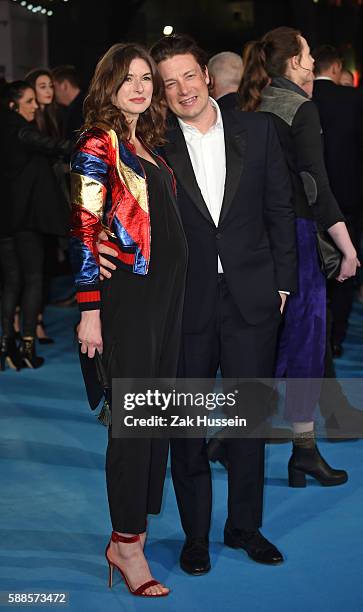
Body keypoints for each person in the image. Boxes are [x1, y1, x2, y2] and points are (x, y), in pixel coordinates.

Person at [98, 34, 297, 576]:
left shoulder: (258, 130)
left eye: (189, 76)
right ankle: (196, 537)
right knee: (186, 428)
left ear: (207, 76)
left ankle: (245, 528)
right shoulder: (154, 146)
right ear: (162, 93)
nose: (182, 89)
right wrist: (99, 245)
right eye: (169, 82)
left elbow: (281, 209)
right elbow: (108, 200)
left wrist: (283, 284)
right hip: (184, 305)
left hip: (253, 298)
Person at [69, 43, 187, 597]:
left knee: (153, 423)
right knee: (133, 428)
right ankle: (127, 545)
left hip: (164, 302)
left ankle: (132, 531)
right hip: (129, 306)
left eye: (146, 78)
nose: (140, 87)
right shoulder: (100, 142)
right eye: (128, 78)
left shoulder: (147, 146)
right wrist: (91, 311)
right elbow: (84, 229)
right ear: (108, 84)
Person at [239, 27, 360, 484]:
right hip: (297, 239)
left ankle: (234, 439)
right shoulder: (300, 109)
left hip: (255, 240)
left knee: (264, 341)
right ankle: (303, 451)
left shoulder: (251, 104)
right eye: (307, 53)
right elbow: (315, 187)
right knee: (306, 342)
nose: (311, 61)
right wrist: (347, 248)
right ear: (293, 62)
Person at [0, 81, 69, 369]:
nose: (35, 106)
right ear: (13, 105)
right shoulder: (19, 129)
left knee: (11, 281)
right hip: (26, 221)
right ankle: (27, 345)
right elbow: (48, 144)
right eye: (29, 101)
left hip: (3, 222)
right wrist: (90, 144)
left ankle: (5, 344)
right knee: (33, 280)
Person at [312, 45, 363, 357]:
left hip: (307, 201)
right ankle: (335, 339)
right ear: (336, 68)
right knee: (346, 267)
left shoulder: (301, 99)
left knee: (310, 271)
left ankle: (313, 338)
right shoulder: (353, 101)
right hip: (348, 199)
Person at [25, 68, 71, 344]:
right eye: (42, 86)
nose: (48, 91)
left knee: (45, 261)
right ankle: (32, 322)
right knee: (32, 264)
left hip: (53, 197)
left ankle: (32, 320)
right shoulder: (25, 123)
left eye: (50, 86)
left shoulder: (55, 117)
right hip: (32, 202)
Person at [52, 65, 84, 141]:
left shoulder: (84, 107)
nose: (51, 92)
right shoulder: (75, 107)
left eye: (53, 86)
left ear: (64, 85)